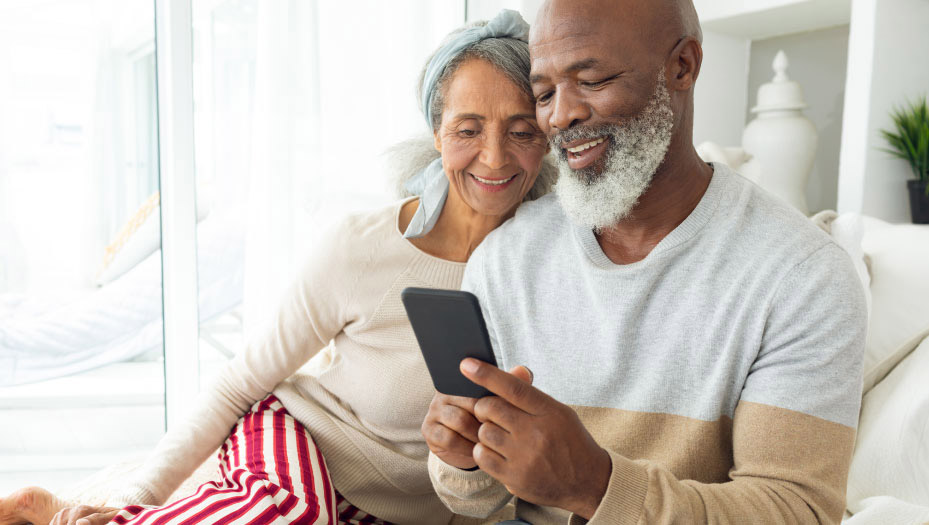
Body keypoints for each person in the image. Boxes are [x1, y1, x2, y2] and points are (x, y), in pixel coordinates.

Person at [0, 10, 554, 525]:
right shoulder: (359, 248)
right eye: (468, 129)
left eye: (522, 130)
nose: (495, 156)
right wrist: (133, 496)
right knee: (292, 512)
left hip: (387, 510)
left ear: (548, 137)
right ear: (437, 135)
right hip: (297, 440)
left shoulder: (551, 269)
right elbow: (236, 385)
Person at [422, 0, 867, 524]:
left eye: (592, 79)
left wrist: (596, 486)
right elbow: (476, 502)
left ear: (683, 65)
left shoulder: (803, 276)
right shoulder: (505, 260)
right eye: (544, 93)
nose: (560, 115)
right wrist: (462, 460)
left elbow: (798, 512)